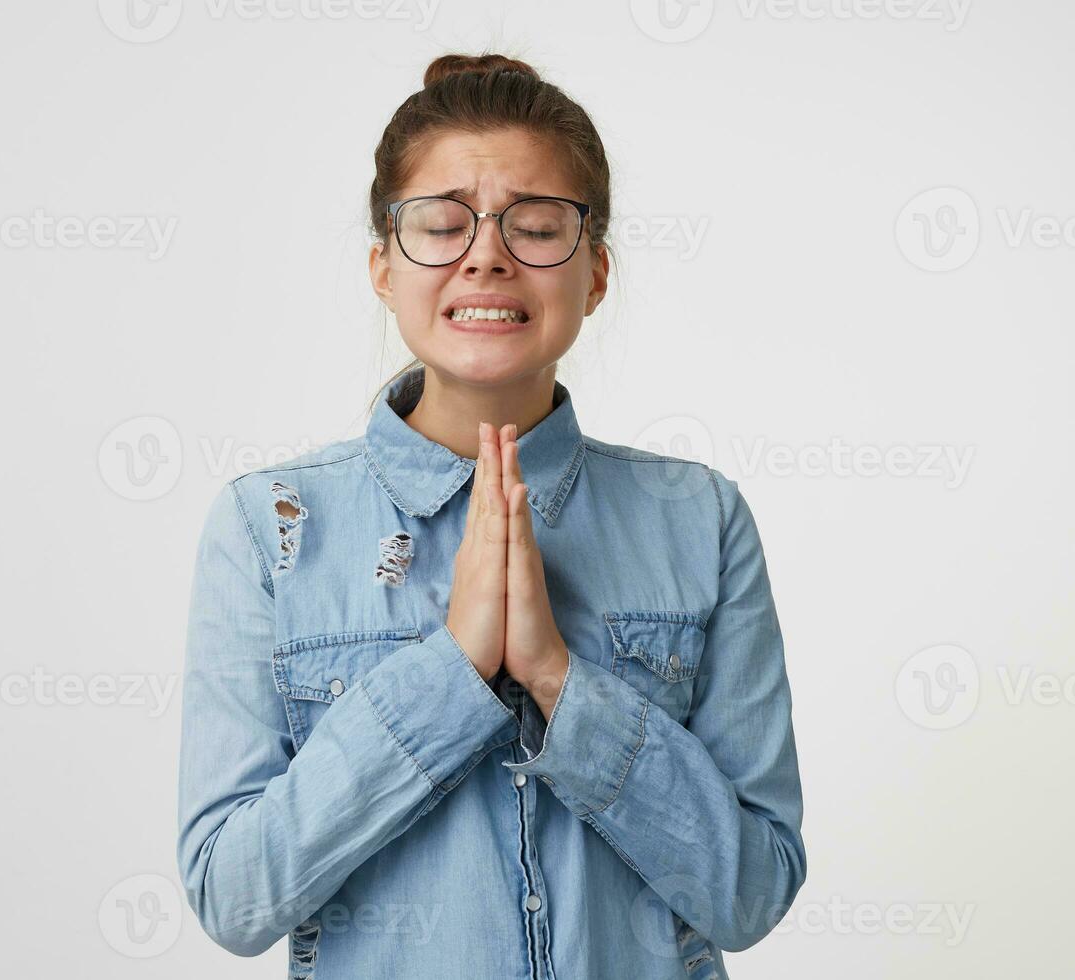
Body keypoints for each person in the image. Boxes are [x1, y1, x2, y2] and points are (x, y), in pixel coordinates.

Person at [176, 52, 806, 980]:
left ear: (594, 274)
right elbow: (233, 898)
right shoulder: (271, 527)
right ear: (383, 267)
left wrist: (556, 678)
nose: (486, 254)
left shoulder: (699, 519)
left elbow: (751, 894)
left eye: (538, 225)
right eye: (441, 223)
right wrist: (450, 675)